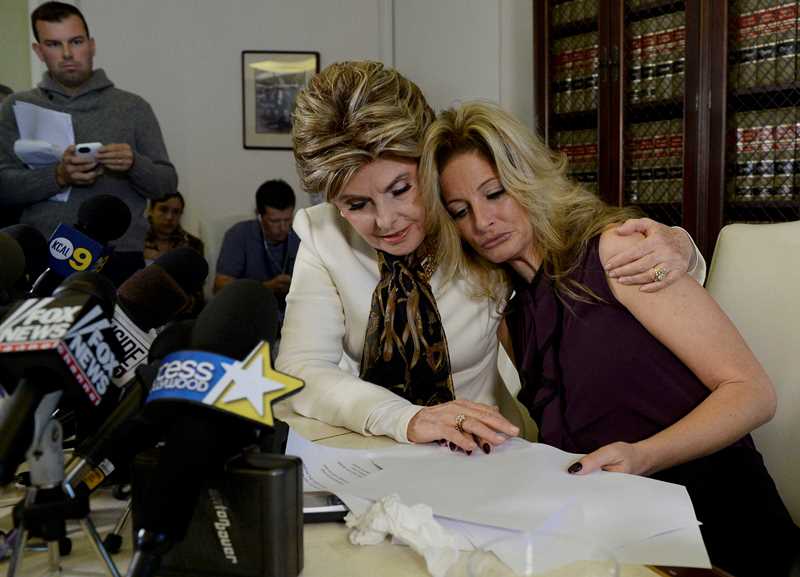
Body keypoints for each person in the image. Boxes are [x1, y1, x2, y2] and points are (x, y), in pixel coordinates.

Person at [421, 100, 800, 577]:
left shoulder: (616, 252)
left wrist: (644, 455)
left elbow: (753, 393)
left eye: (495, 194)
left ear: (527, 179)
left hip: (715, 524)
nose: (481, 222)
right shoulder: (513, 317)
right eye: (460, 211)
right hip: (618, 534)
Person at [277, 60, 703, 452]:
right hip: (365, 448)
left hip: (483, 451)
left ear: (428, 158)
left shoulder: (478, 219)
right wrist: (407, 419)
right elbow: (300, 370)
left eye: (401, 189)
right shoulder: (323, 234)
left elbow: (582, 245)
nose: (386, 222)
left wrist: (679, 247)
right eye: (356, 204)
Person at [0, 2, 177, 284]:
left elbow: (166, 184)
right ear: (39, 51)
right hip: (42, 251)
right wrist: (57, 176)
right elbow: (3, 186)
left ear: (91, 45)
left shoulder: (133, 107)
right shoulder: (16, 106)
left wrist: (134, 164)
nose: (68, 54)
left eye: (76, 41)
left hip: (118, 255)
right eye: (54, 44)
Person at [214, 179, 299, 324]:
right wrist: (265, 288)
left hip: (292, 315)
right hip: (248, 315)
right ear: (259, 215)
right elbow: (219, 286)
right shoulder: (239, 235)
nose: (283, 227)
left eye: (287, 219)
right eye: (275, 221)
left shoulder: (300, 236)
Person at [144, 191, 204, 317]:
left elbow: (197, 290)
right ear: (150, 210)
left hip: (180, 311)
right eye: (163, 210)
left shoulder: (192, 245)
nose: (169, 217)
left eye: (176, 212)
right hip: (141, 304)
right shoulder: (135, 242)